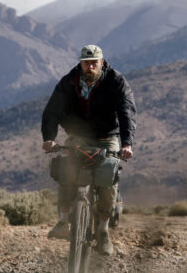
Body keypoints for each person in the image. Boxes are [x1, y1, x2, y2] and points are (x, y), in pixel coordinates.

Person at [42, 44, 136, 256]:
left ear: (101, 62)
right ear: (81, 63)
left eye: (94, 62)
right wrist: (49, 138)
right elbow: (52, 110)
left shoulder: (116, 81)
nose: (90, 66)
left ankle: (102, 231)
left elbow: (126, 112)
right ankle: (63, 221)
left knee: (107, 178)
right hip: (79, 136)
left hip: (107, 136)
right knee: (67, 170)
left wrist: (127, 143)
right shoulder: (70, 81)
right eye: (86, 62)